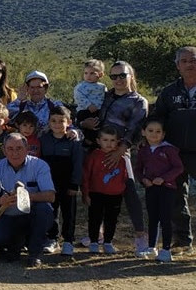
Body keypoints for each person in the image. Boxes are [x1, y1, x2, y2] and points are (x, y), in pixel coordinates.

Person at [80, 61, 149, 256]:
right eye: (114, 76)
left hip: (121, 151)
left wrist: (121, 150)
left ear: (131, 76)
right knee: (96, 189)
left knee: (128, 188)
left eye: (122, 75)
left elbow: (136, 128)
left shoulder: (138, 101)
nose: (118, 80)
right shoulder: (106, 96)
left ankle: (140, 234)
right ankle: (98, 233)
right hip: (99, 148)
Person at [149, 45, 196, 253]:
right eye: (184, 61)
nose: (190, 64)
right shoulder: (169, 92)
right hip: (174, 153)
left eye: (193, 60)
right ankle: (183, 241)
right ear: (177, 66)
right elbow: (158, 118)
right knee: (176, 197)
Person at [0, 133, 56, 267]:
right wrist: (0, 201)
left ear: (27, 148)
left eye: (19, 148)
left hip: (33, 215)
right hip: (9, 216)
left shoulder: (39, 165)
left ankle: (34, 254)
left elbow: (50, 196)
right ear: (4, 150)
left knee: (44, 209)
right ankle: (16, 245)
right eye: (10, 149)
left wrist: (27, 196)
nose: (15, 153)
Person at [135, 118, 184, 262]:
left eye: (158, 132)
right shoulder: (143, 151)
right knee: (153, 218)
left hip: (167, 189)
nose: (154, 134)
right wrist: (143, 179)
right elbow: (138, 169)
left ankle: (166, 249)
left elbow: (178, 167)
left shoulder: (169, 149)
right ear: (144, 132)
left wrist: (163, 178)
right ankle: (151, 248)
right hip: (151, 188)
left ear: (163, 134)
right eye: (150, 131)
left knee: (165, 218)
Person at [38, 105, 84, 256]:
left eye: (61, 121)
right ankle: (52, 238)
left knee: (69, 212)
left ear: (69, 122)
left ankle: (69, 240)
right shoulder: (43, 139)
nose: (57, 124)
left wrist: (74, 184)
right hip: (49, 183)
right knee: (52, 211)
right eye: (53, 121)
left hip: (67, 183)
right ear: (48, 122)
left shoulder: (73, 141)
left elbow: (78, 164)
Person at [82, 126, 130, 254]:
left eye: (112, 140)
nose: (109, 143)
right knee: (94, 218)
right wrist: (85, 193)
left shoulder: (121, 157)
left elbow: (125, 175)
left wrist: (121, 188)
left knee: (112, 219)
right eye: (105, 140)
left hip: (115, 194)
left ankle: (108, 241)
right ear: (98, 141)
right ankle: (94, 241)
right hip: (96, 192)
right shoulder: (94, 156)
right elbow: (86, 175)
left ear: (117, 141)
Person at [74, 59, 107, 128]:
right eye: (86, 73)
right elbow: (78, 96)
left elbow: (105, 97)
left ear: (100, 74)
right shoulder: (81, 86)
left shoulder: (102, 87)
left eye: (92, 73)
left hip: (99, 111)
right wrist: (88, 105)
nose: (88, 76)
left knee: (99, 125)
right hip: (85, 110)